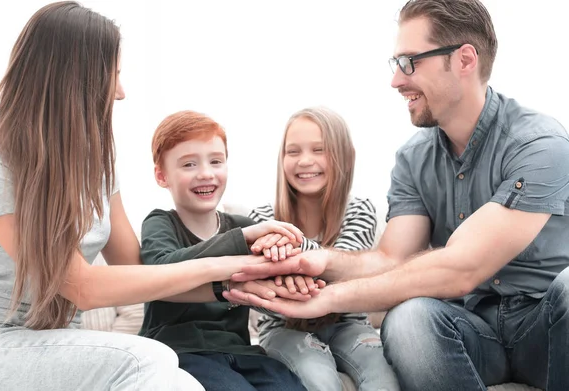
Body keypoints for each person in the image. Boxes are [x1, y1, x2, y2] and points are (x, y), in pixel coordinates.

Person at [227, 1, 569, 390]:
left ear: (464, 59)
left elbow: (461, 268)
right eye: (396, 64)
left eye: (410, 62)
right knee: (408, 320)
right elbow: (391, 258)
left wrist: (331, 298)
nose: (396, 81)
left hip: (547, 330)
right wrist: (317, 260)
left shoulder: (540, 144)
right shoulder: (414, 157)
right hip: (475, 334)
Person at [0, 3, 289, 390]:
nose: (121, 92)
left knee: (185, 384)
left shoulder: (96, 168)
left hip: (60, 340)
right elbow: (81, 288)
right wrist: (226, 262)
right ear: (76, 78)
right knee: (150, 358)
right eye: (114, 75)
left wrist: (240, 283)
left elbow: (142, 271)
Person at [138, 110, 310, 391]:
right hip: (181, 352)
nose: (205, 173)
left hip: (243, 351)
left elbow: (276, 272)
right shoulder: (160, 223)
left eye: (215, 161)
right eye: (189, 164)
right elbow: (161, 269)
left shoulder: (244, 226)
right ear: (161, 175)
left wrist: (285, 259)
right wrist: (239, 239)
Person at [248, 107, 399, 391]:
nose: (305, 161)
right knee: (319, 379)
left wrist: (291, 250)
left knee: (384, 378)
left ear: (344, 155)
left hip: (348, 323)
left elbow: (337, 272)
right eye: (293, 152)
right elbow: (269, 285)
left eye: (319, 150)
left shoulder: (359, 211)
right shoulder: (261, 220)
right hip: (283, 330)